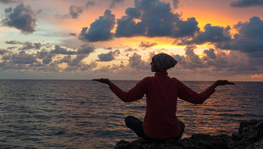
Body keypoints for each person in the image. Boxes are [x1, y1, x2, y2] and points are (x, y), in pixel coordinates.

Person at [93, 53, 234, 141]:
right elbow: (198, 99)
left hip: (151, 135)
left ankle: (145, 140)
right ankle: (165, 139)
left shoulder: (148, 81)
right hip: (173, 135)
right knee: (181, 125)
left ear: (158, 65)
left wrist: (110, 84)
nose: (150, 64)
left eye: (152, 62)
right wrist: (214, 85)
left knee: (129, 120)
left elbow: (126, 97)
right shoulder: (175, 83)